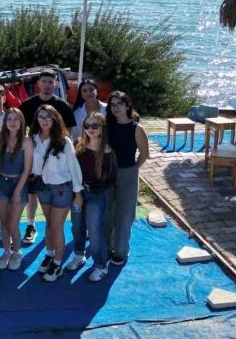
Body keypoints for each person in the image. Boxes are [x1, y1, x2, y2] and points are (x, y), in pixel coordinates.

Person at [19, 70, 76, 246]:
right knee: (32, 193)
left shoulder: (63, 106)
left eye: (51, 82)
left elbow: (69, 133)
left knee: (55, 209)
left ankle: (53, 236)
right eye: (44, 81)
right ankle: (31, 225)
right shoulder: (27, 105)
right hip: (36, 159)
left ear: (56, 84)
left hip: (57, 163)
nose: (47, 85)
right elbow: (20, 129)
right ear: (38, 84)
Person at [30, 105, 83, 282]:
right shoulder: (33, 139)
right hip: (43, 187)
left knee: (56, 225)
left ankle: (58, 263)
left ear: (54, 119)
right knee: (49, 223)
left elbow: (73, 166)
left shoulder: (64, 141)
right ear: (36, 119)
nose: (44, 120)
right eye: (41, 117)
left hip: (62, 189)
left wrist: (78, 193)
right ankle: (49, 254)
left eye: (48, 117)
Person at [66, 112, 116, 282]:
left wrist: (95, 188)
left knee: (95, 231)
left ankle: (101, 266)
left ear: (102, 128)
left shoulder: (107, 150)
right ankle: (79, 255)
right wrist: (77, 193)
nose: (90, 129)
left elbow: (111, 178)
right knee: (77, 226)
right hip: (77, 193)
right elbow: (71, 170)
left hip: (96, 195)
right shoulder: (78, 144)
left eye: (95, 125)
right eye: (87, 125)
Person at [105, 91, 149, 267]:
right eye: (113, 105)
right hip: (108, 174)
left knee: (124, 215)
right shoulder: (106, 126)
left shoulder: (136, 129)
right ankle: (106, 246)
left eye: (119, 104)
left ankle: (120, 251)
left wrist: (133, 169)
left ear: (127, 106)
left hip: (127, 173)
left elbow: (144, 154)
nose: (116, 108)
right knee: (107, 213)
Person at [0, 108, 33, 271]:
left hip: (19, 184)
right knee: (3, 222)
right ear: (5, 121)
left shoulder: (27, 141)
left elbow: (27, 169)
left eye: (16, 119)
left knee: (13, 223)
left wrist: (17, 191)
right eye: (9, 119)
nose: (13, 122)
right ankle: (6, 251)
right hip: (0, 183)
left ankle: (17, 252)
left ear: (21, 122)